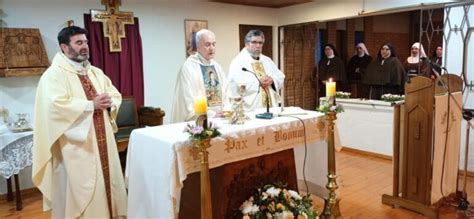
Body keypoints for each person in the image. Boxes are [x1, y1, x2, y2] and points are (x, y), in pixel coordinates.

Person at [32, 26, 127, 218]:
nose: (85, 47)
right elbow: (54, 107)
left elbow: (114, 93)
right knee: (80, 192)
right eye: (79, 43)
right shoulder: (53, 75)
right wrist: (91, 105)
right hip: (76, 147)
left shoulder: (95, 72)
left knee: (108, 185)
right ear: (64, 47)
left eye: (86, 42)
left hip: (103, 143)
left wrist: (110, 103)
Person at [171, 29, 227, 123]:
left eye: (214, 44)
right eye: (207, 44)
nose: (212, 48)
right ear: (198, 46)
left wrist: (226, 110)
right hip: (200, 122)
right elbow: (187, 99)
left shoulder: (217, 67)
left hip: (221, 120)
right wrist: (211, 115)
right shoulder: (188, 68)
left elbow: (226, 91)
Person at [226, 29, 285, 111]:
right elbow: (235, 86)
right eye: (254, 42)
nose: (258, 45)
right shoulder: (238, 62)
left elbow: (280, 76)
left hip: (270, 108)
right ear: (246, 44)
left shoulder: (267, 60)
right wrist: (258, 83)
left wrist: (272, 80)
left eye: (260, 43)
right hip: (251, 109)